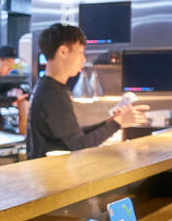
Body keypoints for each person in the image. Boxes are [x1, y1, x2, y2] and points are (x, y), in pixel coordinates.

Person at [26, 23, 147, 159]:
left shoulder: (49, 87)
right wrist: (118, 122)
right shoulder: (52, 94)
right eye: (80, 53)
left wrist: (109, 122)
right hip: (50, 177)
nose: (83, 59)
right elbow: (79, 145)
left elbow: (74, 136)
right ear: (63, 52)